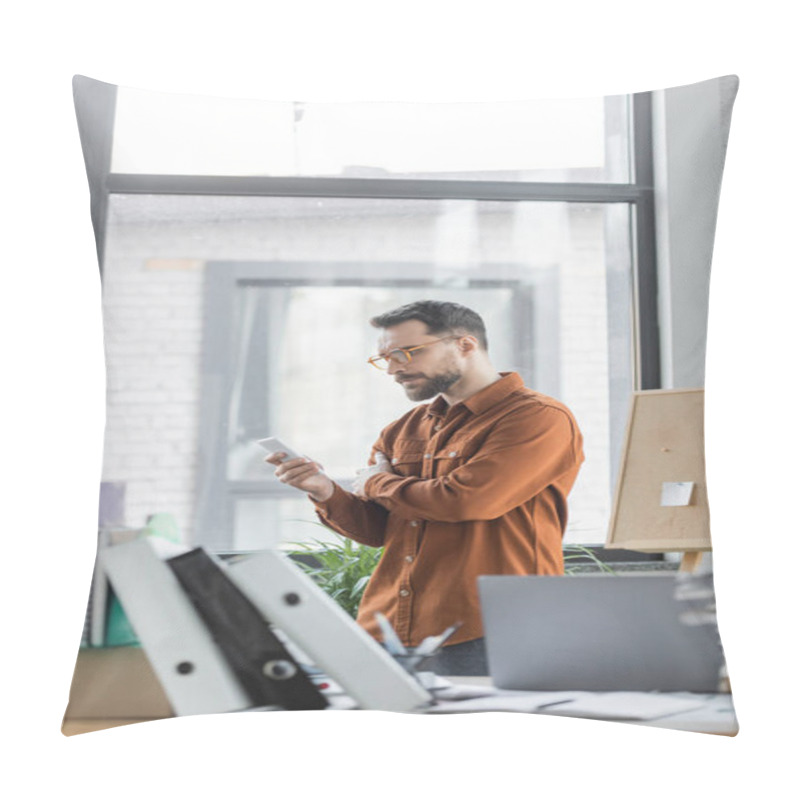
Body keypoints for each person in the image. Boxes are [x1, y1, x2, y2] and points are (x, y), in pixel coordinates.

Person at [266, 300, 584, 675]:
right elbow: (378, 531)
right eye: (384, 358)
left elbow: (467, 501)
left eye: (404, 353)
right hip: (388, 629)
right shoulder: (403, 429)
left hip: (491, 628)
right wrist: (325, 491)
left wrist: (377, 482)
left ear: (465, 345)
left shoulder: (538, 417)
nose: (393, 369)